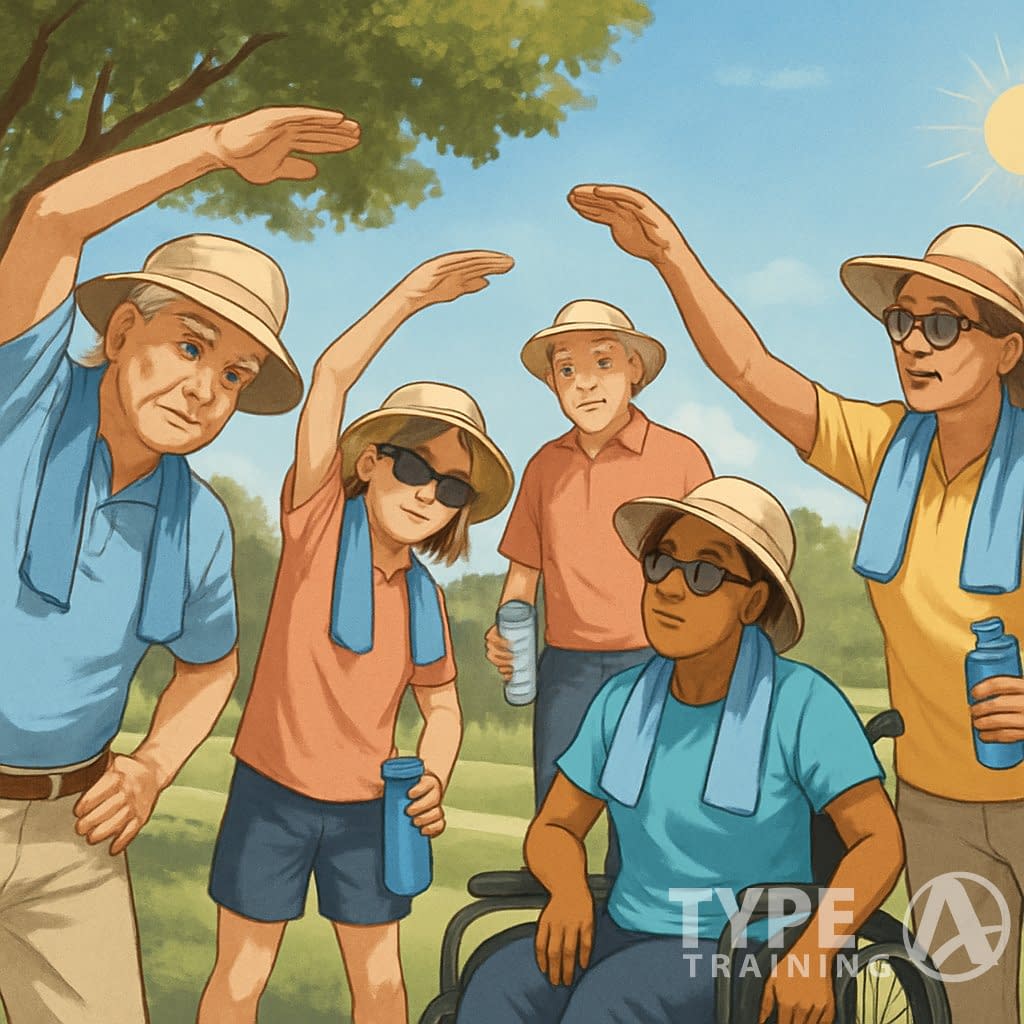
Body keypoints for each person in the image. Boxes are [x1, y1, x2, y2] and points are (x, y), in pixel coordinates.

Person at [569, 182, 1024, 1024]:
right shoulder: (889, 451)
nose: (912, 343)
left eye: (943, 324)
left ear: (1007, 348)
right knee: (973, 1010)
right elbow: (751, 372)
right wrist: (669, 254)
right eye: (902, 321)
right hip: (940, 805)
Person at [0, 106, 359, 1024]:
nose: (204, 389)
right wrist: (213, 148)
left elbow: (210, 666)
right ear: (123, 332)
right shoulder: (24, 396)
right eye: (190, 346)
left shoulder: (196, 520)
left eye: (234, 374)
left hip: (72, 825)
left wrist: (152, 768)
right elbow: (49, 221)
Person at [197, 252, 515, 1024]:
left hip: (370, 808)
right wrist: (411, 294)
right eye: (414, 467)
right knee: (242, 971)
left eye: (451, 488)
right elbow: (332, 376)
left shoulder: (422, 598)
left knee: (380, 981)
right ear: (369, 462)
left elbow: (442, 707)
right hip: (272, 789)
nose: (428, 495)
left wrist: (434, 775)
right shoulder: (315, 522)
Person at [458, 477, 903, 1023]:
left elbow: (880, 844)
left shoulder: (803, 702)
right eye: (661, 562)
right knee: (501, 982)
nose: (669, 587)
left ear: (753, 601)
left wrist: (815, 951)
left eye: (704, 573)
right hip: (627, 928)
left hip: (746, 946)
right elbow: (554, 827)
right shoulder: (621, 700)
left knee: (609, 1003)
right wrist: (569, 890)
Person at [486, 297, 712, 873]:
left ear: (635, 368)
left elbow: (712, 576)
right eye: (567, 370)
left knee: (644, 820)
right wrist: (505, 632)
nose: (584, 383)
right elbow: (523, 575)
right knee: (556, 817)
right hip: (566, 669)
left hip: (656, 664)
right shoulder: (544, 466)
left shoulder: (681, 458)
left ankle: (631, 927)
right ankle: (556, 925)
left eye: (603, 363)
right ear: (551, 383)